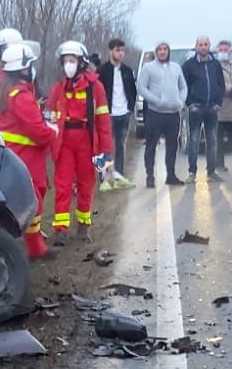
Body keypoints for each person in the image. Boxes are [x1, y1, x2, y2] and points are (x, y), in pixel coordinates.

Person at [0, 42, 58, 258]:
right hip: (26, 157)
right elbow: (38, 131)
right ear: (22, 69)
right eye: (30, 65)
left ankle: (30, 246)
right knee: (33, 201)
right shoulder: (21, 96)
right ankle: (35, 248)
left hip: (11, 155)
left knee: (21, 200)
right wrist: (53, 132)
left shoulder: (2, 91)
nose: (32, 69)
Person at [46, 41, 113, 244]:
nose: (68, 64)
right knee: (63, 185)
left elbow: (103, 122)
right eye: (65, 61)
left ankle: (84, 227)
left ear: (82, 63)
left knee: (86, 185)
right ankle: (60, 230)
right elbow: (49, 119)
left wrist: (106, 153)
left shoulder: (95, 87)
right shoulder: (58, 89)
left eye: (72, 60)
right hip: (64, 142)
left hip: (87, 142)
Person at [140, 41, 188, 188]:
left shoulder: (176, 67)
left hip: (173, 114)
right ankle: (150, 175)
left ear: (168, 51)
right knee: (151, 145)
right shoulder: (148, 68)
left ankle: (171, 175)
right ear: (156, 52)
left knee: (172, 145)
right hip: (155, 113)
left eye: (165, 49)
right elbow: (142, 88)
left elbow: (183, 87)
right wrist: (156, 101)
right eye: (160, 49)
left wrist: (180, 101)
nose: (162, 52)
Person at [182, 35, 227, 179]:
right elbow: (183, 86)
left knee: (212, 141)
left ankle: (211, 171)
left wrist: (218, 103)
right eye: (200, 45)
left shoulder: (215, 64)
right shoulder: (189, 65)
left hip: (212, 108)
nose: (203, 47)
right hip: (196, 108)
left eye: (205, 44)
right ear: (196, 46)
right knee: (194, 141)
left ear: (209, 46)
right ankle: (192, 172)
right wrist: (190, 104)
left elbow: (221, 84)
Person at [98, 38, 138, 188]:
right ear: (110, 51)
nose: (121, 53)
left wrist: (130, 107)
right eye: (117, 50)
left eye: (122, 50)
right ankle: (105, 178)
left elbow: (133, 90)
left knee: (121, 145)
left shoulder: (127, 71)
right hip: (107, 114)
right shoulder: (102, 71)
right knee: (105, 147)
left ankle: (119, 176)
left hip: (124, 113)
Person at [215, 39, 232, 171]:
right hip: (220, 109)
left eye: (226, 50)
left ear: (230, 51)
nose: (223, 52)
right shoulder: (214, 67)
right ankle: (219, 164)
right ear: (217, 51)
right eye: (221, 50)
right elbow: (218, 85)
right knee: (218, 140)